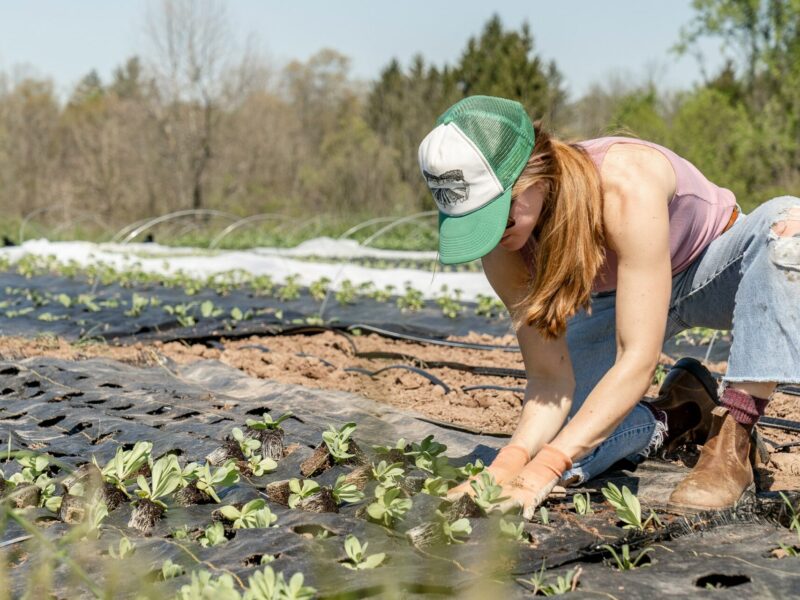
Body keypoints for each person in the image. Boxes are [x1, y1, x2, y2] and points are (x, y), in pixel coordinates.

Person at [417, 95, 800, 517]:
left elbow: (637, 357)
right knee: (565, 436)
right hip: (621, 297)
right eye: (475, 222)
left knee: (790, 234)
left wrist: (547, 467)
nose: (493, 235)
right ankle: (678, 413)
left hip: (710, 269)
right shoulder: (502, 248)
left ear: (535, 173)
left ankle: (734, 438)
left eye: (498, 216)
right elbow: (549, 381)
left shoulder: (623, 183)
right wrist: (511, 463)